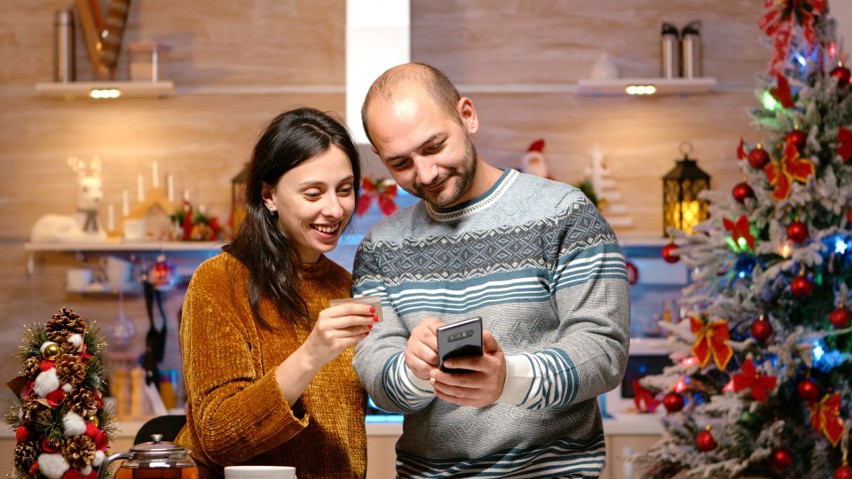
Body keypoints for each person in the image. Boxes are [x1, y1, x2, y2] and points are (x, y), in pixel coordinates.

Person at [351, 63, 631, 478]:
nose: (425, 174)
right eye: (401, 163)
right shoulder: (379, 247)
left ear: (467, 115)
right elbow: (377, 375)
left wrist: (508, 380)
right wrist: (414, 371)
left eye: (433, 147)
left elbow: (604, 349)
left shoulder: (564, 213)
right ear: (379, 157)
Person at [174, 107, 377, 479]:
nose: (334, 209)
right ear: (269, 195)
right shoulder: (219, 281)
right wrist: (312, 354)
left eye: (344, 190)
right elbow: (218, 436)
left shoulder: (344, 284)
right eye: (313, 193)